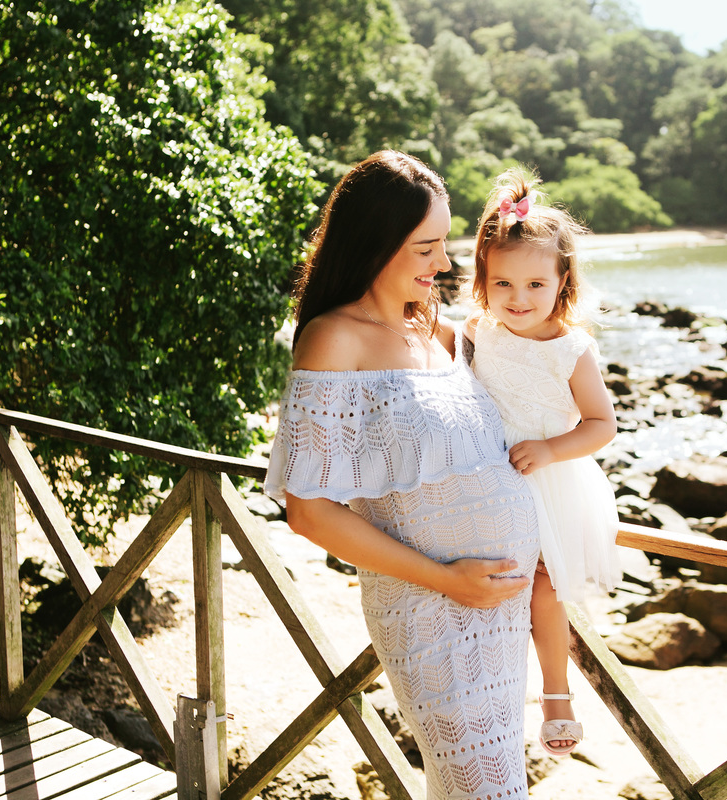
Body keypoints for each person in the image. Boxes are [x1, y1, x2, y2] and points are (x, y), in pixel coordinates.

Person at [263, 151, 541, 800]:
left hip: (500, 611)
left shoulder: (443, 332)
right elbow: (309, 512)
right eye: (425, 248)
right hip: (431, 607)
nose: (442, 263)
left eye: (444, 243)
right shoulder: (335, 339)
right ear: (375, 243)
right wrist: (448, 580)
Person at [465, 167, 620, 756]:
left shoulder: (571, 350)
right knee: (489, 584)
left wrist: (552, 448)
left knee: (544, 589)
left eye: (535, 284)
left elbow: (602, 424)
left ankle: (557, 694)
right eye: (502, 283)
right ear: (483, 281)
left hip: (551, 481)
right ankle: (488, 692)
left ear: (563, 281)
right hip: (489, 480)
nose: (518, 298)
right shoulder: (480, 330)